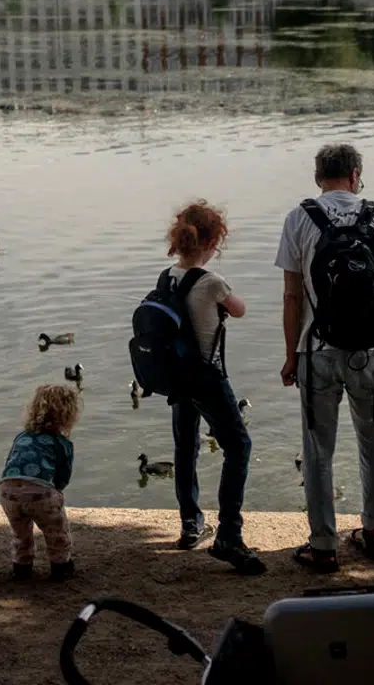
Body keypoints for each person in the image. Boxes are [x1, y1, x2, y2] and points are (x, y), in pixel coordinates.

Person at [277, 144, 374, 572]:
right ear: (355, 175)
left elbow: (292, 296)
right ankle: (373, 534)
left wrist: (290, 355)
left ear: (318, 178)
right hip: (371, 352)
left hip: (317, 351)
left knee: (318, 451)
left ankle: (324, 545)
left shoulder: (300, 218)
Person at [164, 201, 266, 575]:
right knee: (239, 446)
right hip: (206, 377)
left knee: (185, 447)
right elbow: (239, 310)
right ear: (212, 242)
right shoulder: (212, 282)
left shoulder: (168, 277)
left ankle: (191, 523)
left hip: (178, 377)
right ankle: (229, 534)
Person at [0, 384, 80, 581]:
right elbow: (62, 477)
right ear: (68, 414)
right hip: (39, 493)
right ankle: (61, 568)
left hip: (7, 490)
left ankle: (22, 568)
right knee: (56, 533)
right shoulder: (62, 443)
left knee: (21, 534)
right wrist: (57, 493)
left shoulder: (22, 437)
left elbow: (12, 463)